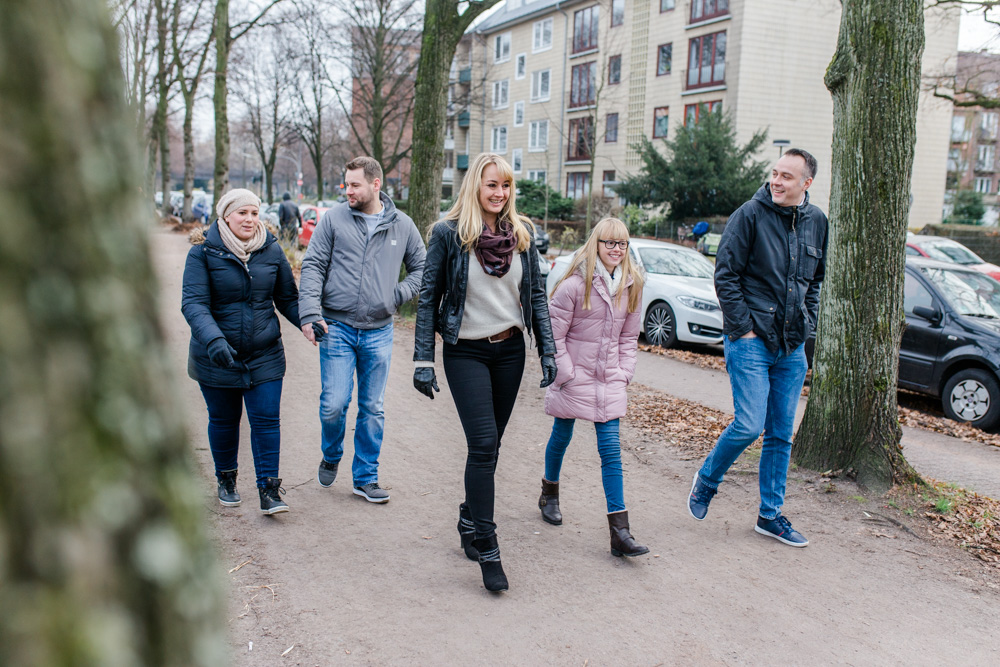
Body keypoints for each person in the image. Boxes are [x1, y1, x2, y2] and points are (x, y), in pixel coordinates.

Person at [412, 153, 556, 592]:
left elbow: (536, 297)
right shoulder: (448, 233)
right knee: (483, 444)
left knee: (491, 448)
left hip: (510, 352)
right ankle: (489, 547)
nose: (500, 193)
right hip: (466, 352)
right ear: (475, 185)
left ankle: (468, 517)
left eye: (506, 185)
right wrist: (423, 359)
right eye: (492, 184)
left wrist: (548, 351)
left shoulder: (522, 235)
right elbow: (427, 298)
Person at [687, 148, 828, 547]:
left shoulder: (817, 221)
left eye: (787, 176)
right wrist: (744, 329)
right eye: (775, 173)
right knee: (749, 425)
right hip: (750, 340)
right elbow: (725, 275)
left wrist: (808, 323)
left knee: (781, 434)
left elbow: (815, 281)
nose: (777, 181)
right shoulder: (749, 215)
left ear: (806, 183)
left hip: (792, 346)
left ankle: (770, 516)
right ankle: (707, 480)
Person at [298, 156, 425, 503]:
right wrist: (309, 313)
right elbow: (313, 265)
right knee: (334, 404)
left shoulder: (402, 225)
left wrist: (396, 295)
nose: (348, 190)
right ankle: (331, 454)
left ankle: (365, 477)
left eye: (354, 184)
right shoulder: (334, 219)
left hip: (379, 330)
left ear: (375, 184)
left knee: (373, 407)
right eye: (346, 184)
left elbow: (422, 269)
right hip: (336, 327)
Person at [181, 188, 301, 514]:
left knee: (266, 420)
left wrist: (310, 322)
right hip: (217, 355)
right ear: (226, 216)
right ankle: (227, 479)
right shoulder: (203, 253)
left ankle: (269, 490)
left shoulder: (271, 249)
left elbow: (287, 298)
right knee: (224, 420)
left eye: (254, 213)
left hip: (265, 353)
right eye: (242, 213)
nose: (249, 219)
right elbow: (193, 303)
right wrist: (214, 340)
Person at [539, 217, 649, 558]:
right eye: (609, 242)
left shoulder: (632, 285)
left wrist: (624, 372)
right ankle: (549, 493)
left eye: (622, 243)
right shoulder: (574, 284)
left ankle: (620, 532)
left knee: (611, 450)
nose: (616, 249)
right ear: (596, 244)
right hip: (574, 375)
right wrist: (566, 375)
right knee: (562, 435)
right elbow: (553, 335)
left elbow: (629, 337)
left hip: (609, 378)